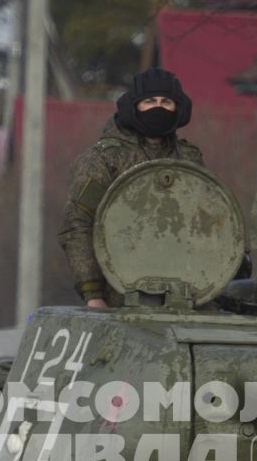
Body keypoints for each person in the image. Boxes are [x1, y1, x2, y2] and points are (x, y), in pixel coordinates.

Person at [58, 68, 205, 308]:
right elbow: (78, 225)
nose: (158, 107)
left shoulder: (189, 159)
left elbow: (208, 219)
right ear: (134, 105)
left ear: (178, 107)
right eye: (149, 101)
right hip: (119, 293)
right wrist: (92, 293)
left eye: (166, 102)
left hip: (185, 291)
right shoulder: (104, 160)